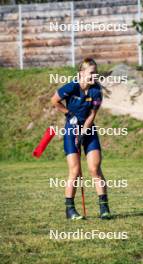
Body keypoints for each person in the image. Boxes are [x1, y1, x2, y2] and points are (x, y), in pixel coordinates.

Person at [51, 58, 111, 220]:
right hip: (71, 129)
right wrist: (69, 114)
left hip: (88, 130)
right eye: (91, 73)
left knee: (94, 169)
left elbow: (92, 114)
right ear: (81, 73)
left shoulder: (96, 91)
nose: (94, 76)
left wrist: (84, 132)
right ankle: (70, 210)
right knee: (75, 171)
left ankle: (104, 208)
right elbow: (54, 100)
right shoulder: (71, 86)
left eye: (96, 73)